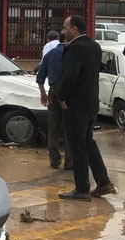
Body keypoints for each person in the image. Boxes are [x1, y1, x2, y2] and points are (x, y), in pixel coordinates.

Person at [54, 15, 115, 201]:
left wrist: (61, 96)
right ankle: (103, 182)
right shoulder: (94, 46)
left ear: (74, 29)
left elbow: (70, 76)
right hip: (90, 103)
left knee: (77, 146)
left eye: (65, 28)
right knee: (88, 142)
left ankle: (82, 188)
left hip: (75, 105)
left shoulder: (76, 48)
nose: (63, 32)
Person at [37, 37, 72, 170]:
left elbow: (40, 77)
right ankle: (70, 161)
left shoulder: (50, 54)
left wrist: (43, 94)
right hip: (69, 93)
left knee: (54, 127)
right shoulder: (72, 54)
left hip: (53, 91)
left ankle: (54, 160)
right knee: (69, 127)